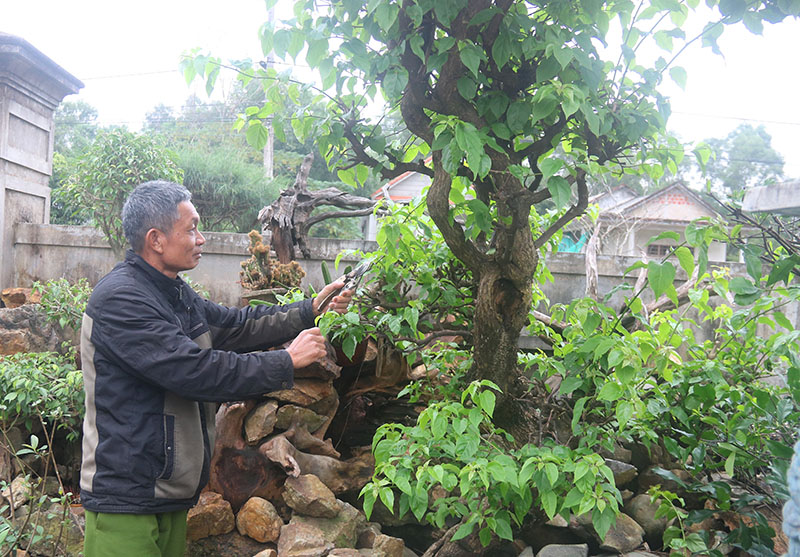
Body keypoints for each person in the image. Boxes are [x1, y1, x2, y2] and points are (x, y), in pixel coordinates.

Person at [79, 180, 353, 556]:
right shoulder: (122, 299)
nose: (202, 238)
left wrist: (310, 309)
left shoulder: (172, 291)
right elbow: (196, 372)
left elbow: (237, 325)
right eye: (191, 229)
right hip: (128, 495)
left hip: (166, 491)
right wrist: (286, 360)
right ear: (156, 239)